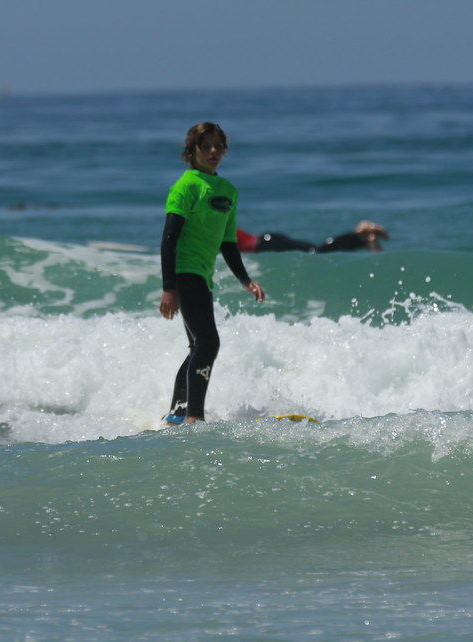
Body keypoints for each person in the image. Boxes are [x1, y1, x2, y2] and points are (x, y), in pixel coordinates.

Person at [159, 122, 265, 425]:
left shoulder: (228, 191)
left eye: (218, 145)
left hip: (203, 276)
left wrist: (245, 280)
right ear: (192, 151)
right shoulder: (186, 186)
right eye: (205, 146)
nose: (213, 151)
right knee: (209, 343)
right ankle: (194, 416)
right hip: (184, 272)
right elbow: (169, 238)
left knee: (198, 346)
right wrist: (169, 288)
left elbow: (228, 243)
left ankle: (177, 415)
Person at [236, 220, 389, 254]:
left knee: (317, 251)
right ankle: (364, 240)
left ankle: (360, 233)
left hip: (266, 244)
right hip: (268, 239)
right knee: (317, 249)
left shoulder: (216, 233)